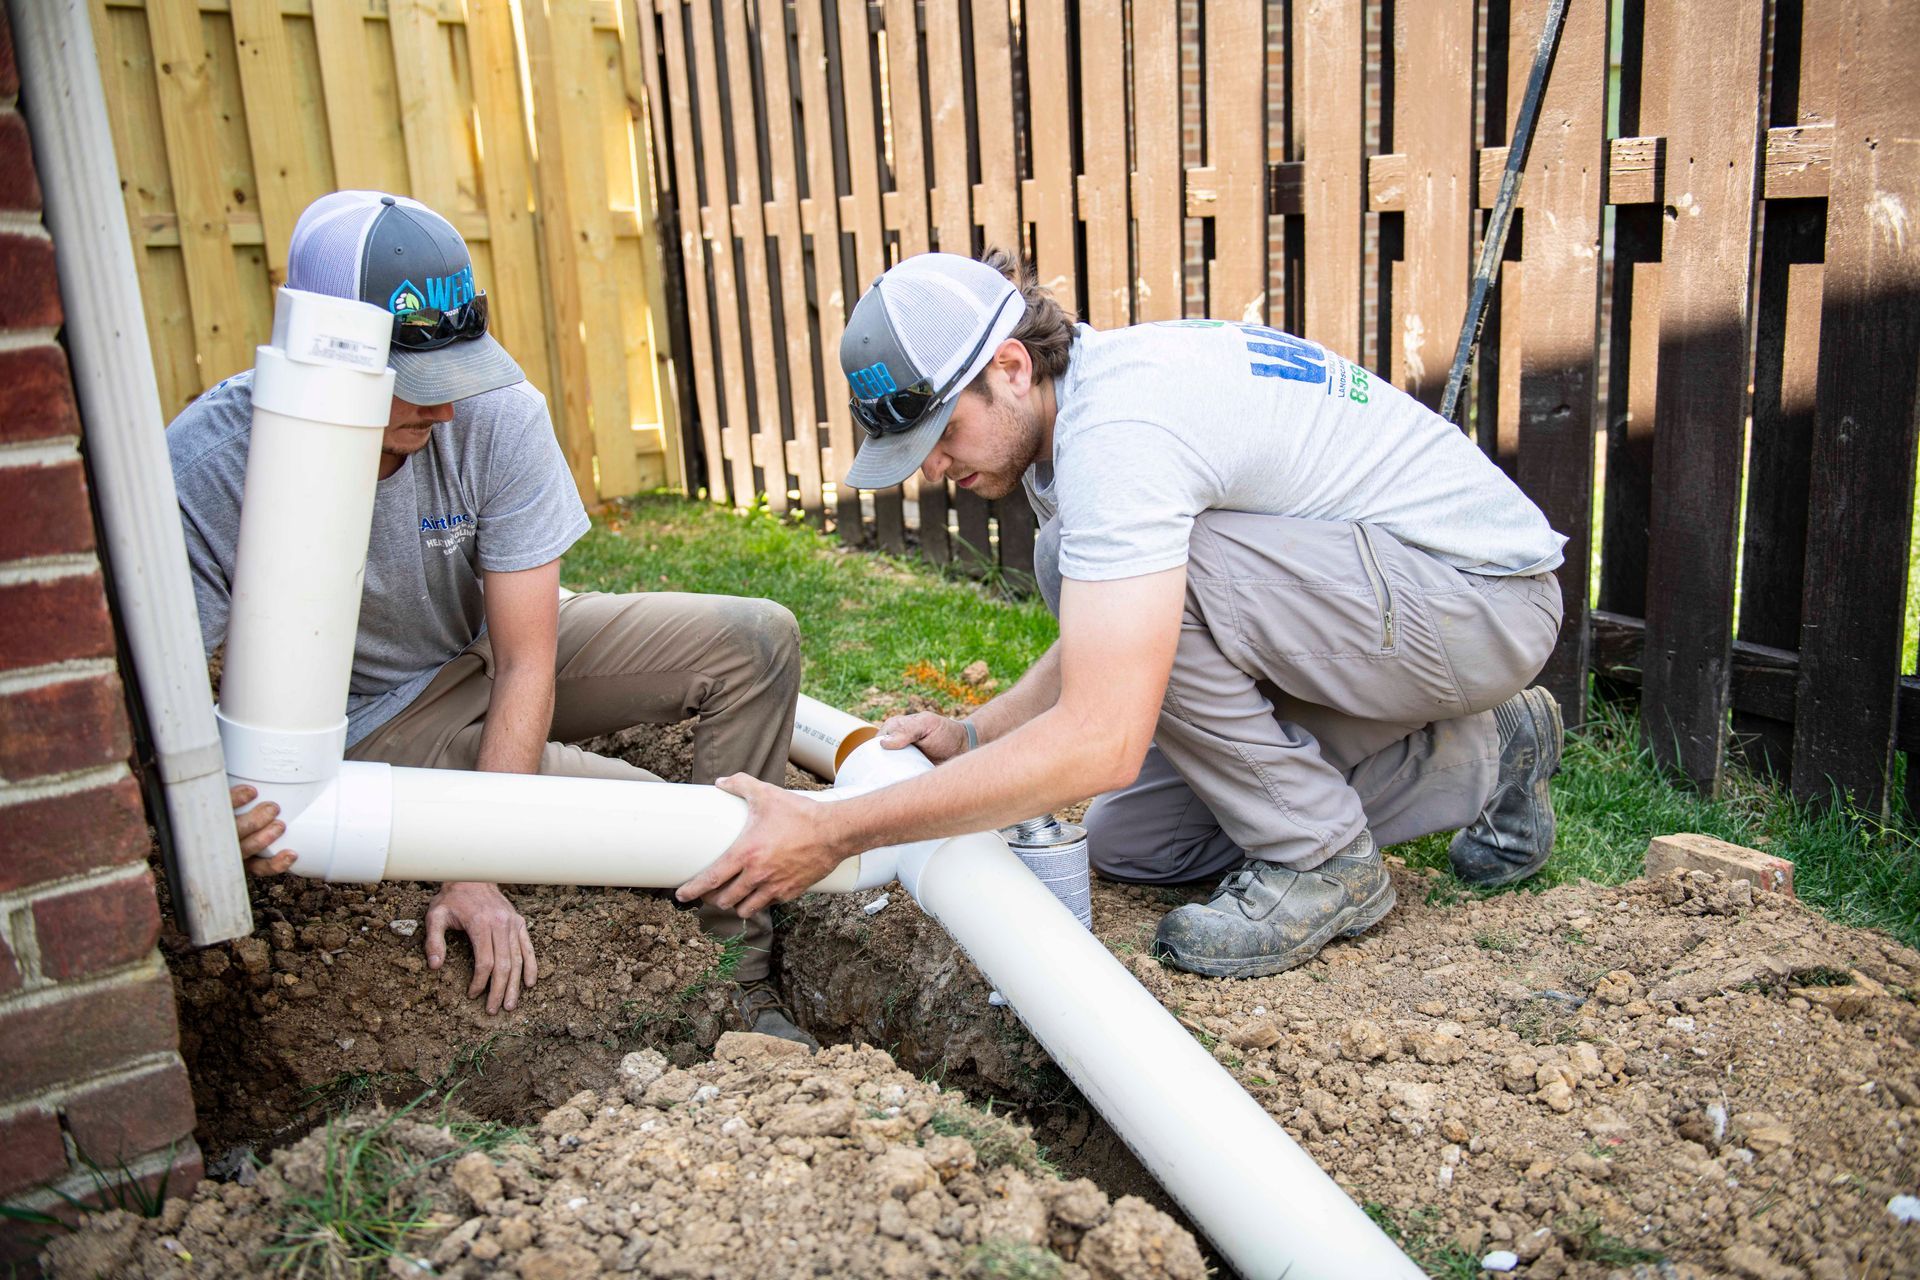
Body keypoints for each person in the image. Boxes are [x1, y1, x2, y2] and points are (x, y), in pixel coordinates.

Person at [682, 249, 1567, 978]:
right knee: (1139, 842)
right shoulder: (1085, 410)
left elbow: (1100, 738)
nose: (932, 469)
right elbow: (1116, 632)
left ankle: (1321, 859)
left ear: (1012, 367)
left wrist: (834, 831)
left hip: (1479, 600)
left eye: (941, 435)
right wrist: (979, 736)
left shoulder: (1122, 435)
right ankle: (1485, 754)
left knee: (1131, 579)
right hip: (1382, 608)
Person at [172, 190, 814, 1040]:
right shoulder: (213, 469)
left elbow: (524, 659)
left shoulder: (493, 410)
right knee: (677, 824)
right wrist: (204, 797)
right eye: (413, 385)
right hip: (374, 718)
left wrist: (477, 858)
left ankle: (738, 979)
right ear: (324, 357)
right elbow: (155, 702)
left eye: (453, 377)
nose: (442, 410)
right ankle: (707, 938)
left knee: (756, 641)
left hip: (487, 654)